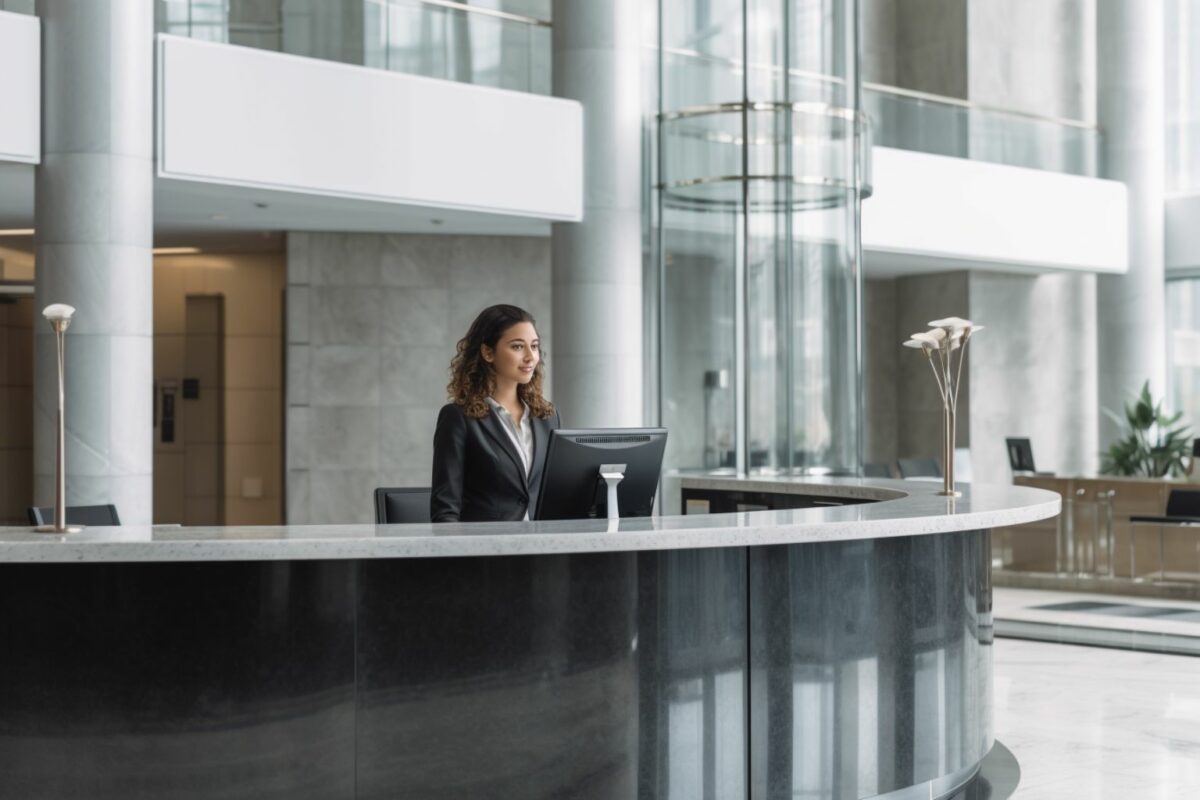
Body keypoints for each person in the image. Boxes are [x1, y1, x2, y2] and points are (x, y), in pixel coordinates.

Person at [431, 304, 561, 522]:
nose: (531, 357)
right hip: (487, 551)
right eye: (518, 347)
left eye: (535, 346)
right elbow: (445, 510)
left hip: (543, 548)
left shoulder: (547, 418)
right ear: (488, 352)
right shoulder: (458, 418)